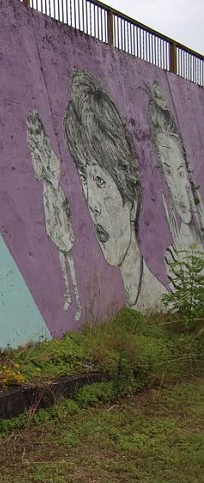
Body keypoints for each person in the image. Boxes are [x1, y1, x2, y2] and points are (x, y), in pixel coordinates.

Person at [64, 69, 166, 311]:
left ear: (132, 202)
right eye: (84, 178)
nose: (92, 203)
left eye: (100, 181)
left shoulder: (161, 304)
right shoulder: (121, 307)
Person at [25, 110, 81, 320]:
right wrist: (39, 159)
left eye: (38, 130)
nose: (36, 135)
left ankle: (78, 300)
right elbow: (39, 175)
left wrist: (44, 163)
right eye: (33, 132)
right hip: (49, 201)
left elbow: (54, 177)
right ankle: (68, 295)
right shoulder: (37, 154)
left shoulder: (49, 151)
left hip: (57, 200)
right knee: (59, 250)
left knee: (68, 251)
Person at [146, 82, 204, 267]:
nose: (178, 192)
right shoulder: (173, 261)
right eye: (168, 173)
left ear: (187, 171)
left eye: (180, 173)